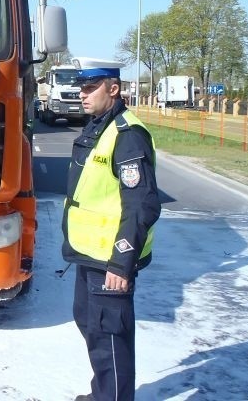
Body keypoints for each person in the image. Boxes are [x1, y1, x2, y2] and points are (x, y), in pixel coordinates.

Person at [62, 59, 161, 401]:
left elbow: (142, 204)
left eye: (91, 88)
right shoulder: (98, 126)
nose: (82, 94)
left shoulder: (127, 135)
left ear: (113, 89)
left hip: (110, 258)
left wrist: (121, 262)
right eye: (81, 87)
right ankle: (103, 394)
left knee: (110, 340)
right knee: (91, 325)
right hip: (89, 251)